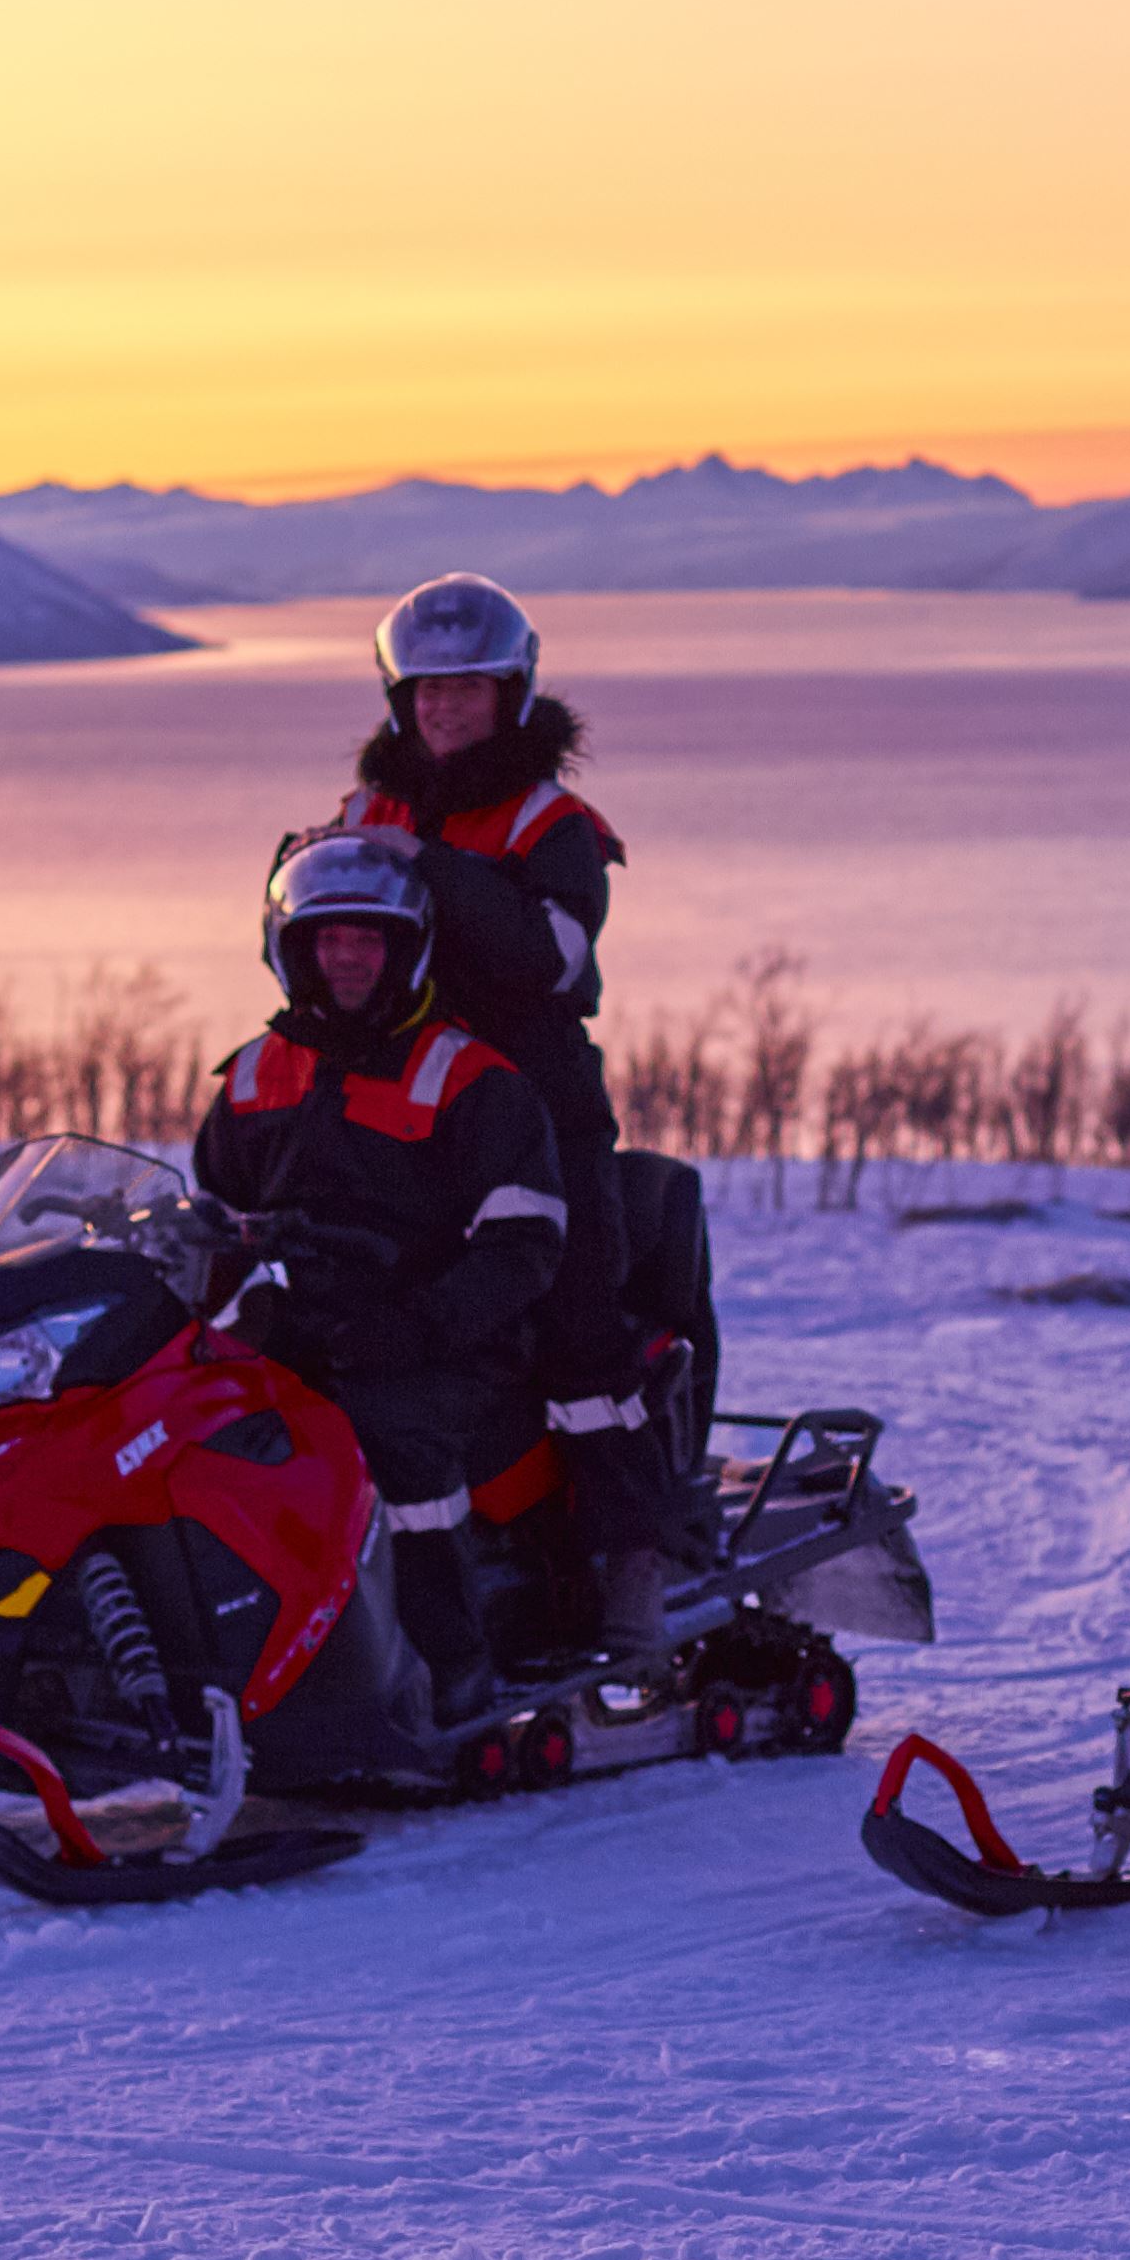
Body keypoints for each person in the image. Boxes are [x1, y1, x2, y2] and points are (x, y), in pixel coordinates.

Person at [331, 573, 678, 1659]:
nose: (444, 708)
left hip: (536, 1098)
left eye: (467, 689)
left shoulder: (550, 820)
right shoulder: (368, 809)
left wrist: (431, 867)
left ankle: (635, 1560)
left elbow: (554, 954)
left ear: (511, 692)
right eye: (427, 690)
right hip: (406, 1105)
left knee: (578, 1335)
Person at [197, 835, 570, 1725]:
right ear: (295, 952)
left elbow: (525, 1245)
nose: (348, 959)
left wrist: (421, 1324)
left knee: (390, 1438)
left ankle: (449, 1666)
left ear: (405, 950)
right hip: (308, 1321)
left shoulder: (468, 1077)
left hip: (450, 1341)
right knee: (187, 1416)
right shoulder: (253, 1076)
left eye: (368, 941)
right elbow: (205, 1223)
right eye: (329, 942)